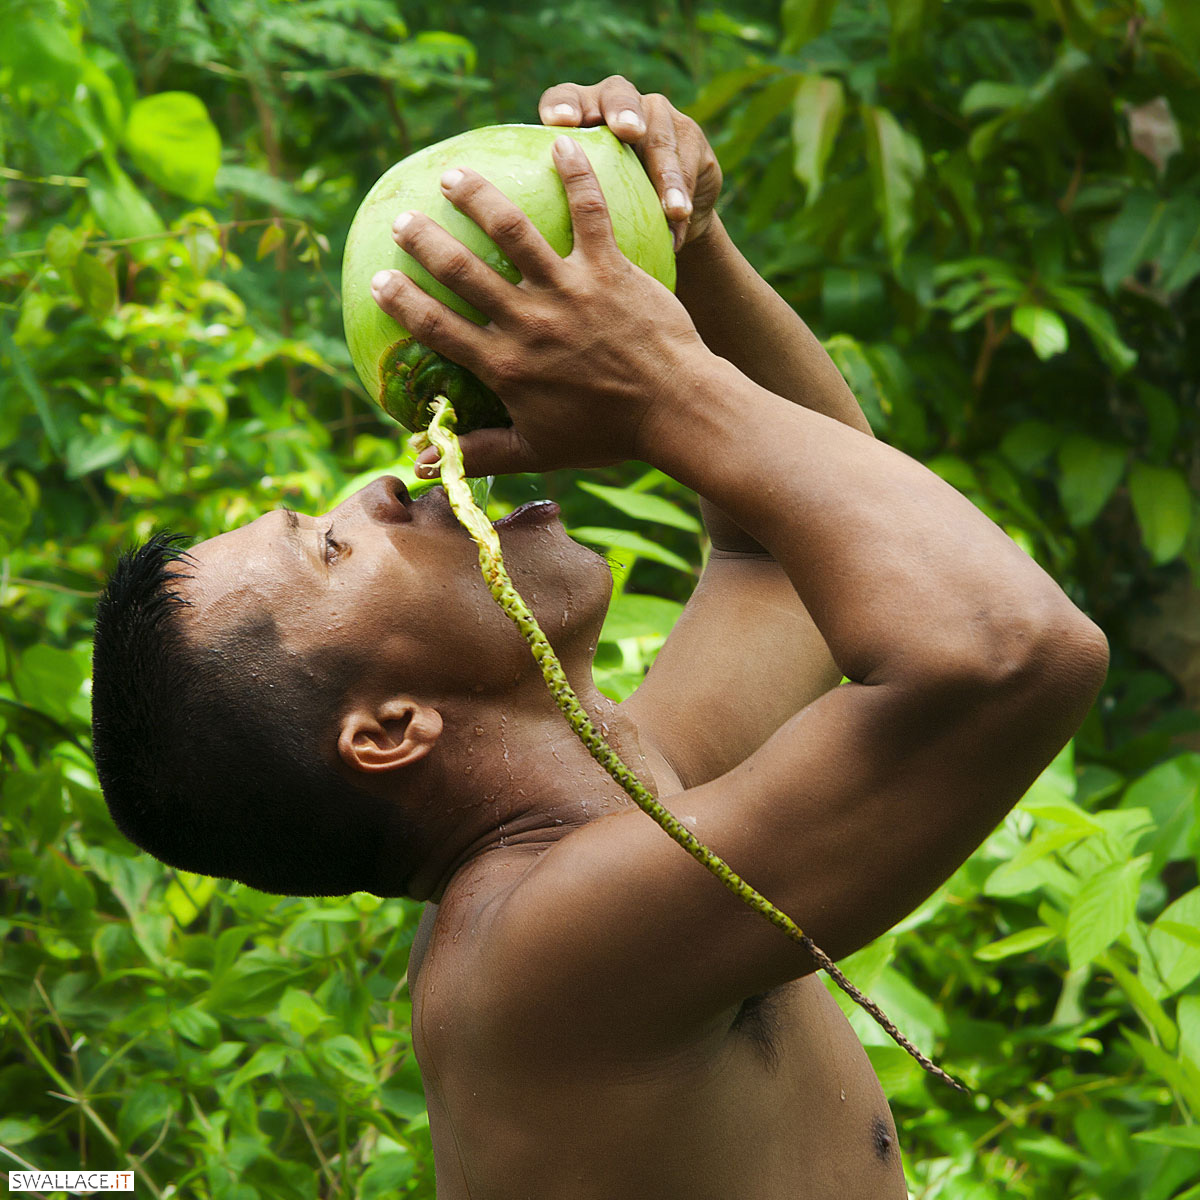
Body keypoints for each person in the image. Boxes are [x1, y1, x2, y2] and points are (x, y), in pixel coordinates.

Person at [91, 78, 1109, 1198]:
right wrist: (663, 390)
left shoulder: (616, 799)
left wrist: (684, 247)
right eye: (330, 549)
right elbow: (1011, 655)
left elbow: (773, 567)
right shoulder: (540, 952)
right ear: (390, 729)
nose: (381, 487)